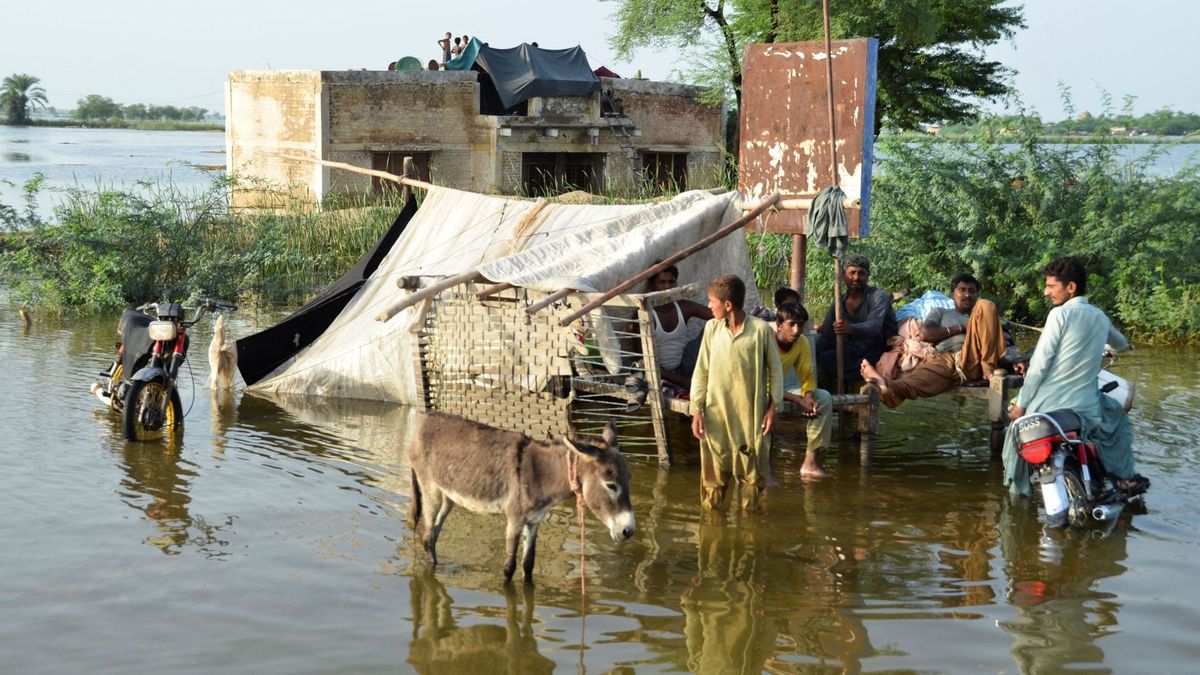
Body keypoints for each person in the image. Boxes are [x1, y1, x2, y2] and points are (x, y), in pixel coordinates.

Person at [1002, 257, 1143, 496]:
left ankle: (1018, 494)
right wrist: (1126, 347)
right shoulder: (1099, 317)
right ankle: (1122, 477)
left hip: (1049, 402)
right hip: (1087, 406)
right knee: (1119, 420)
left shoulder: (1059, 315)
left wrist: (1022, 404)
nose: (1046, 292)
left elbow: (1039, 365)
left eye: (1051, 286)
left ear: (1071, 287)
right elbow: (1120, 343)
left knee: (1013, 432)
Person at [690, 274, 784, 511]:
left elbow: (776, 371)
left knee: (752, 479)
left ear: (728, 305)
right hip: (716, 415)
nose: (709, 306)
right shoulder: (712, 329)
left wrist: (774, 408)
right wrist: (696, 410)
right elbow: (701, 371)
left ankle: (749, 537)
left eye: (712, 301)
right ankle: (713, 533)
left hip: (750, 417)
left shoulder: (761, 330)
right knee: (713, 480)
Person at [859, 273, 1007, 407]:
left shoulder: (982, 315)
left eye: (971, 291)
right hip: (946, 360)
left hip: (973, 357)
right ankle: (883, 385)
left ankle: (987, 366)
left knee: (986, 304)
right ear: (952, 294)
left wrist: (1018, 362)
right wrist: (962, 327)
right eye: (962, 290)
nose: (967, 295)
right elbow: (925, 334)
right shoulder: (941, 312)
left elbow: (1004, 342)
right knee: (914, 383)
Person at [815, 255, 897, 385]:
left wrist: (851, 328)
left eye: (861, 274)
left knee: (827, 359)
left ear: (867, 276)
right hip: (852, 347)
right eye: (852, 273)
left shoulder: (878, 296)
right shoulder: (839, 301)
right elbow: (827, 333)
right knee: (815, 349)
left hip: (875, 347)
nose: (856, 278)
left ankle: (855, 380)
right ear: (843, 275)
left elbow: (874, 326)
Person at [774, 303, 834, 477]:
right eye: (791, 324)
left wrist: (808, 397)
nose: (796, 330)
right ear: (779, 325)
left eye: (800, 324)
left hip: (782, 389)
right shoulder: (767, 341)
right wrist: (799, 400)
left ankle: (811, 462)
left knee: (823, 398)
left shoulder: (801, 342)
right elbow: (765, 383)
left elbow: (807, 375)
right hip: (758, 389)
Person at [646, 264, 712, 391]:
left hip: (684, 365)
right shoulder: (645, 316)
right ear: (651, 285)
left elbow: (717, 315)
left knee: (714, 326)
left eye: (671, 282)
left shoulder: (683, 306)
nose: (667, 287)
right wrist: (683, 381)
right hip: (659, 372)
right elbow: (645, 362)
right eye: (662, 282)